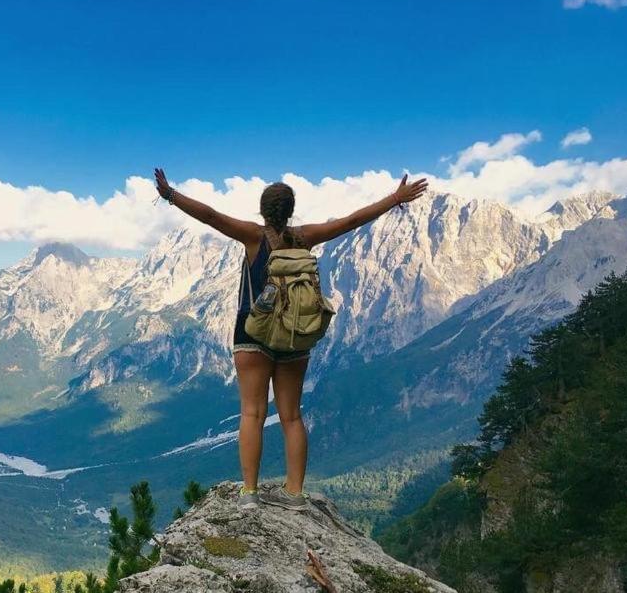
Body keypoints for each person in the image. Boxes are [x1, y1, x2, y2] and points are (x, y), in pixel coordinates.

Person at [154, 168, 428, 510]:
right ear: (291, 210)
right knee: (292, 416)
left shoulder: (253, 237)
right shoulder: (305, 237)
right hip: (296, 335)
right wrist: (393, 199)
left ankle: (250, 494)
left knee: (252, 413)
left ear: (263, 210)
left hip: (252, 333)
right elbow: (350, 221)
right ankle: (295, 494)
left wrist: (170, 194)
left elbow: (209, 215)